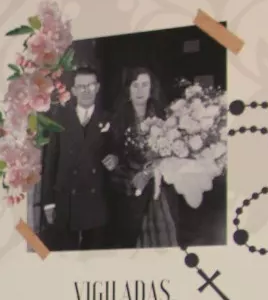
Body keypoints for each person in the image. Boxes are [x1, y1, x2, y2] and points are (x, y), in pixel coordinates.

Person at [39, 65, 121, 251]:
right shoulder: (59, 118)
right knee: (65, 256)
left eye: (91, 85)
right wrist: (48, 202)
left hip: (96, 202)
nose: (86, 91)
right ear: (74, 90)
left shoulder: (109, 118)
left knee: (93, 260)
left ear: (97, 87)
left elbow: (118, 150)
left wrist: (115, 159)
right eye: (81, 87)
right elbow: (50, 162)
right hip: (65, 201)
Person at [109, 66, 180, 249]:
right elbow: (112, 157)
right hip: (131, 191)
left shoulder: (163, 114)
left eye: (144, 85)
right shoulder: (117, 118)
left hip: (160, 188)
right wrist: (132, 177)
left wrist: (151, 171)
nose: (140, 91)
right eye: (135, 85)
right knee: (130, 241)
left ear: (151, 88)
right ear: (128, 89)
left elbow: (171, 151)